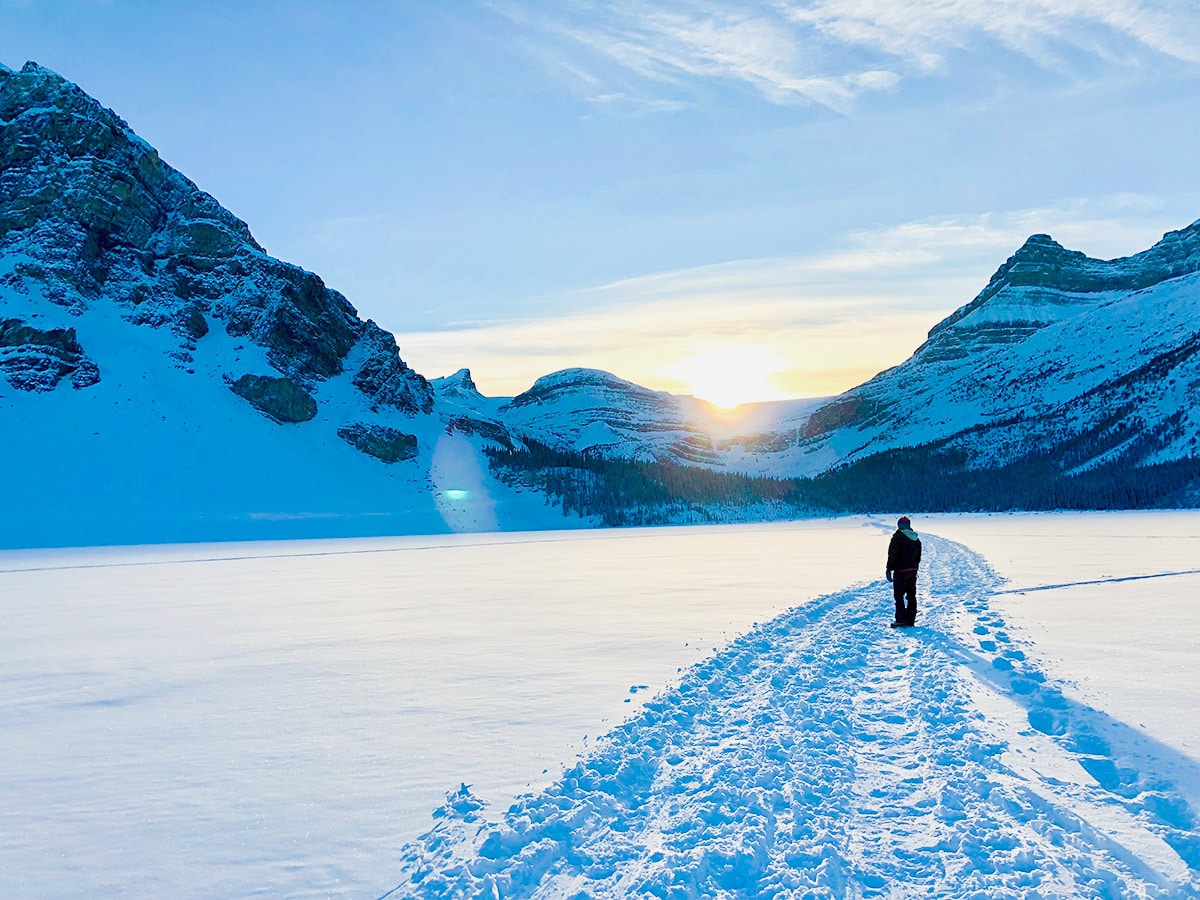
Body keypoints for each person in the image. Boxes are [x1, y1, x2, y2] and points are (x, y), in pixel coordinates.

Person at [886, 516, 922, 627]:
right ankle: (911, 619)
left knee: (899, 595)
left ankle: (901, 619)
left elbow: (892, 555)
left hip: (900, 571)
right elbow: (918, 557)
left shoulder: (897, 537)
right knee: (911, 595)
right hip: (912, 571)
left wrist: (889, 569)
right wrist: (915, 568)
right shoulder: (916, 539)